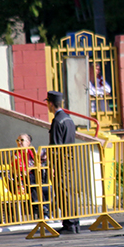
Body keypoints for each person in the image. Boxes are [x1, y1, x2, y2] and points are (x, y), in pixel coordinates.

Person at [45, 91, 79, 233]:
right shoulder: (68, 119)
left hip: (60, 161)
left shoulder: (57, 121)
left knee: (62, 191)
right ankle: (74, 222)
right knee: (70, 191)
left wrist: (52, 165)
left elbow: (55, 146)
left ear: (51, 104)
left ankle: (69, 224)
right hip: (69, 160)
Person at [13, 133, 49, 217]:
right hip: (23, 179)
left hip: (35, 177)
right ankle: (42, 211)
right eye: (17, 140)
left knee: (47, 188)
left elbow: (45, 156)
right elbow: (19, 170)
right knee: (33, 186)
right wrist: (31, 168)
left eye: (22, 140)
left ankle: (47, 211)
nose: (19, 142)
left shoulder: (33, 152)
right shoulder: (16, 155)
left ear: (28, 142)